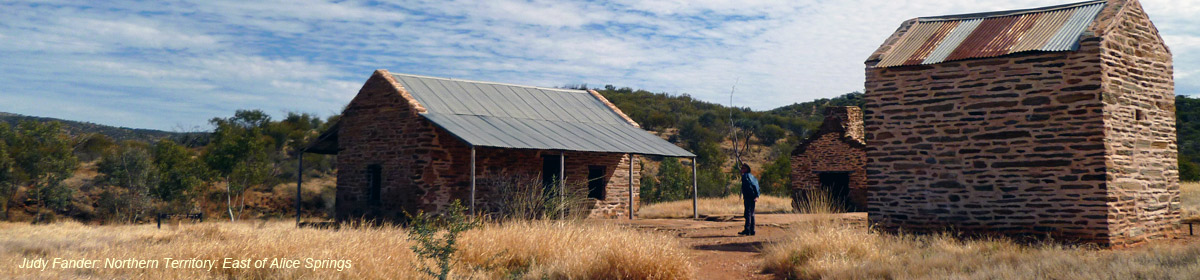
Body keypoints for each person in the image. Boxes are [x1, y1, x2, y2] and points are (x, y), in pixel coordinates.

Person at [738, 163, 760, 236]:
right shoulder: (752, 177)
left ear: (747, 169)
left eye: (743, 168)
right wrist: (756, 196)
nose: (741, 169)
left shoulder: (745, 177)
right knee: (752, 213)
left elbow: (748, 187)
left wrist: (749, 195)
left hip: (748, 197)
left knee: (748, 213)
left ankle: (747, 230)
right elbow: (756, 186)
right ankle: (752, 230)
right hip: (753, 197)